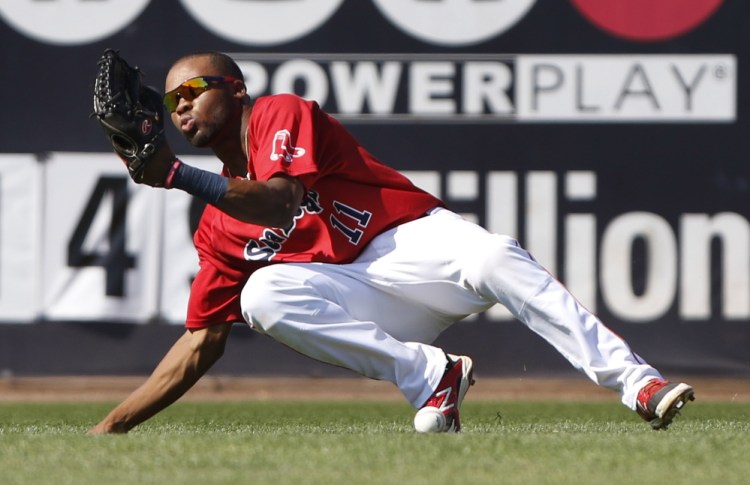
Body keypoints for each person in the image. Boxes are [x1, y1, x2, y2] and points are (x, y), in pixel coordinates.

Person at [88, 51, 694, 435]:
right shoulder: (218, 226)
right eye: (172, 101)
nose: (182, 105)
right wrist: (111, 428)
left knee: (493, 254)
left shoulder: (278, 112)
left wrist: (174, 175)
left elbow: (278, 198)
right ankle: (429, 376)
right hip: (364, 291)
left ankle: (634, 381)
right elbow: (199, 346)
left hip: (411, 243)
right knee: (263, 296)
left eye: (193, 88)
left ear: (237, 88)